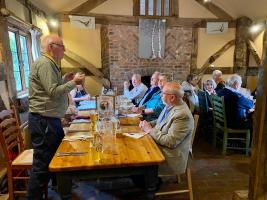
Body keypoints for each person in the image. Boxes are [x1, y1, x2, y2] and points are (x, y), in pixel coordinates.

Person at [27, 34, 85, 199]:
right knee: (41, 166)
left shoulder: (49, 63)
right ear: (51, 47)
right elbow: (53, 92)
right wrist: (74, 82)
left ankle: (60, 188)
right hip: (44, 120)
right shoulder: (45, 63)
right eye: (62, 46)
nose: (65, 50)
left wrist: (62, 80)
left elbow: (50, 88)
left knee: (55, 158)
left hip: (49, 119)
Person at [139, 82, 194, 175]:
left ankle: (150, 183)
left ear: (172, 97)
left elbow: (170, 141)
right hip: (160, 146)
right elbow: (160, 121)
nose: (160, 95)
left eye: (163, 93)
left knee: (139, 153)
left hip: (171, 155)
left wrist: (149, 130)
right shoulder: (170, 105)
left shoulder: (183, 115)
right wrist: (148, 124)